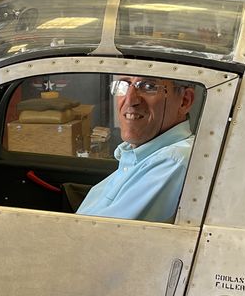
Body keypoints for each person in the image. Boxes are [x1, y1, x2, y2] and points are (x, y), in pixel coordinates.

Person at [76, 75, 195, 222]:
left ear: (184, 101)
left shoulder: (172, 161)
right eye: (123, 85)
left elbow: (96, 236)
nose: (130, 100)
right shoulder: (143, 155)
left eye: (149, 86)